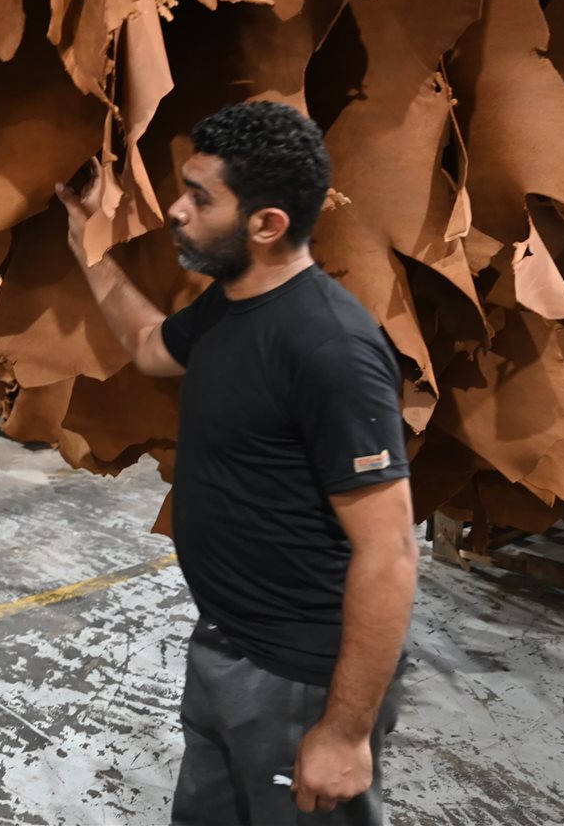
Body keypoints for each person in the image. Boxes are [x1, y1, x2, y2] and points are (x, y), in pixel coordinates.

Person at [56, 100, 419, 826]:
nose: (175, 209)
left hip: (300, 676)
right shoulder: (231, 306)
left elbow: (391, 554)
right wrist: (85, 243)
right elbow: (151, 346)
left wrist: (344, 732)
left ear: (267, 224)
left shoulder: (330, 347)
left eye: (200, 198)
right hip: (227, 641)